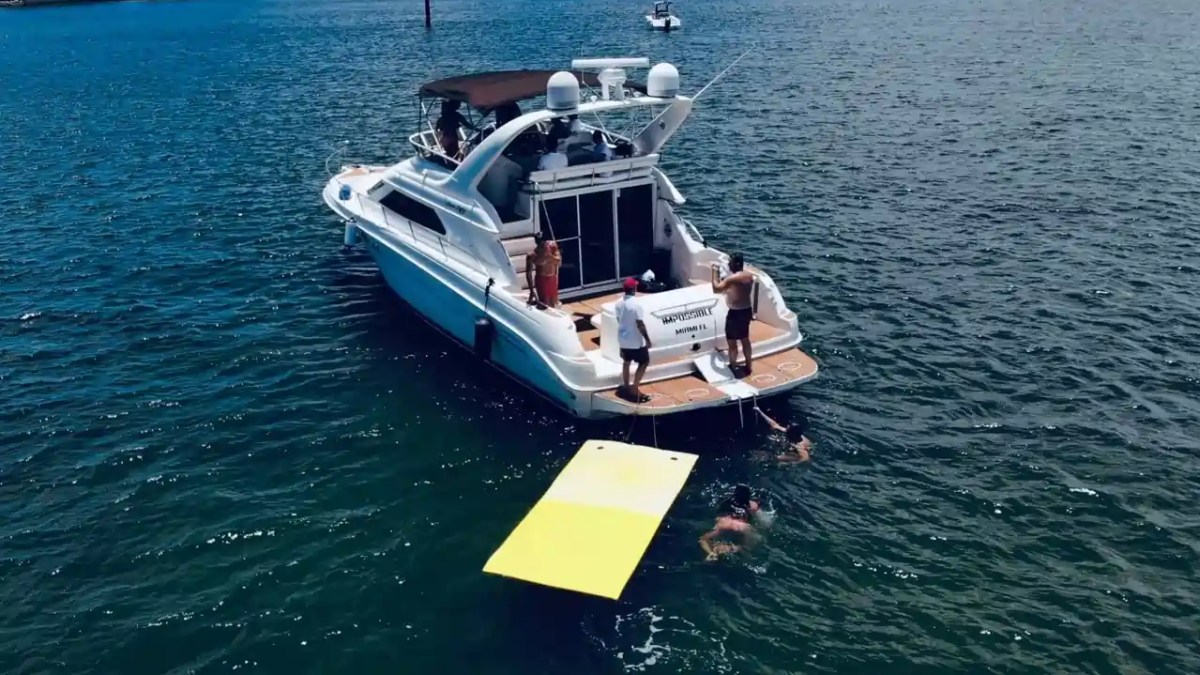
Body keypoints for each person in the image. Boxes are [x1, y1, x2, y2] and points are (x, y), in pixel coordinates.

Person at [711, 252, 755, 374]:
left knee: (732, 342)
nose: (729, 265)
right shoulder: (749, 276)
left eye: (730, 262)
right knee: (745, 339)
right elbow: (736, 288)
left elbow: (716, 289)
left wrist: (714, 272)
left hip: (735, 313)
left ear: (736, 263)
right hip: (746, 310)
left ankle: (733, 365)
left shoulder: (732, 279)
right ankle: (749, 365)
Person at [615, 277, 652, 403]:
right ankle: (635, 388)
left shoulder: (618, 303)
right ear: (634, 289)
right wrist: (647, 340)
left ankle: (626, 386)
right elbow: (640, 324)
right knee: (644, 362)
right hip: (634, 341)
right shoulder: (636, 305)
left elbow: (618, 320)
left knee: (626, 361)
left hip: (622, 339)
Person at [699, 484, 760, 561]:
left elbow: (703, 539)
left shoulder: (726, 500)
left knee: (704, 539)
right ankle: (734, 548)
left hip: (725, 522)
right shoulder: (752, 505)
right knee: (748, 544)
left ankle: (711, 553)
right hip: (740, 525)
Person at [525, 233, 562, 308]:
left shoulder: (552, 247)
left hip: (552, 279)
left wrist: (550, 256)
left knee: (554, 303)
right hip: (542, 280)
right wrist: (531, 291)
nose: (543, 245)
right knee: (545, 304)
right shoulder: (533, 255)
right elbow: (528, 274)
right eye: (540, 243)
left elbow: (559, 262)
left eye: (544, 242)